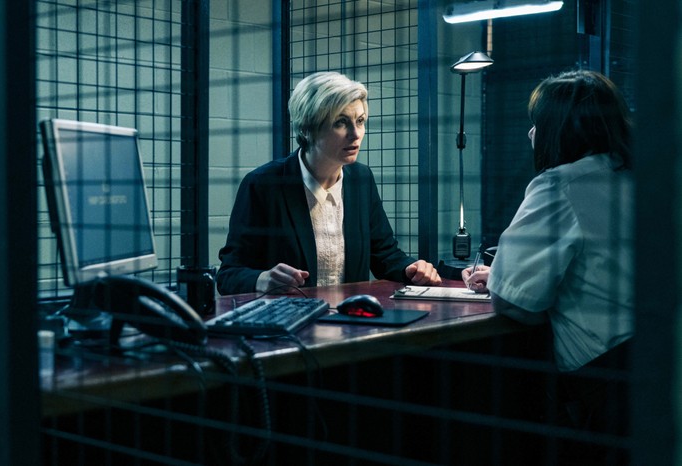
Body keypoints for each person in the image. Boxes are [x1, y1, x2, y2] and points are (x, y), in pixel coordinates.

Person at [462, 70, 633, 464]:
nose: (530, 134)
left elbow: (513, 302)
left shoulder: (560, 184)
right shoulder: (635, 175)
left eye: (536, 123)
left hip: (608, 378)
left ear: (559, 129)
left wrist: (504, 279)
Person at [217, 71, 441, 295]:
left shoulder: (361, 180)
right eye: (341, 122)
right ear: (307, 128)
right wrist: (261, 279)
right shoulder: (264, 184)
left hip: (351, 323)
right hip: (290, 323)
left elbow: (384, 255)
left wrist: (411, 269)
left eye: (360, 121)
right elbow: (228, 275)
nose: (355, 134)